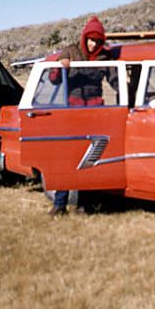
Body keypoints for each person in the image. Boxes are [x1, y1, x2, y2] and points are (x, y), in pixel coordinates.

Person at [49, 16, 117, 215]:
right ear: (84, 37)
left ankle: (84, 204)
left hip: (95, 110)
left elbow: (115, 79)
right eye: (90, 39)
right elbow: (53, 79)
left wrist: (130, 89)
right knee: (66, 157)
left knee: (90, 158)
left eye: (97, 40)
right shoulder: (70, 51)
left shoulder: (105, 57)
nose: (93, 43)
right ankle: (60, 204)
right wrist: (59, 65)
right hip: (71, 110)